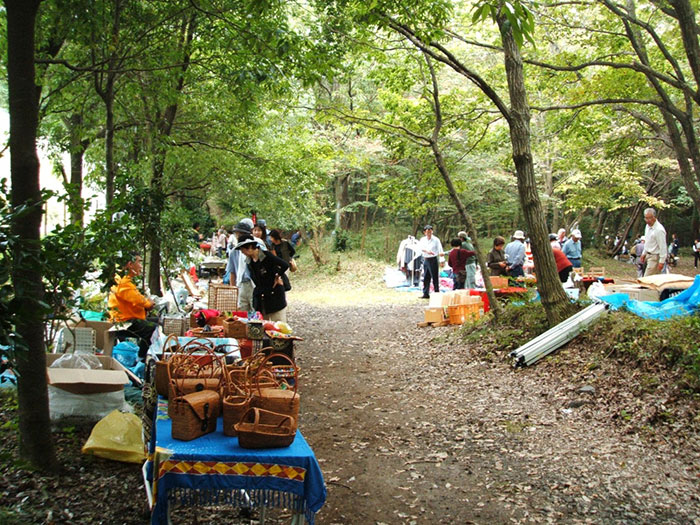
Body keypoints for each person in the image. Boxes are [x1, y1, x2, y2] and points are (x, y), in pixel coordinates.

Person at [108, 253, 156, 360]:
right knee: (152, 328)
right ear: (130, 264)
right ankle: (141, 359)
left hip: (130, 319)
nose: (140, 266)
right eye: (139, 262)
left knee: (158, 322)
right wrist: (149, 303)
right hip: (124, 322)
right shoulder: (123, 282)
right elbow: (140, 301)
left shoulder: (125, 280)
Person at [235, 234, 289, 322]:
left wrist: (277, 276)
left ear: (250, 247)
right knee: (261, 324)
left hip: (274, 295)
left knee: (278, 324)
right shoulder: (249, 262)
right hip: (261, 297)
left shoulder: (267, 256)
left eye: (243, 249)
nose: (242, 252)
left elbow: (284, 265)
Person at [640, 208, 667, 276]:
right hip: (648, 255)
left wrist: (661, 262)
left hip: (655, 257)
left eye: (649, 218)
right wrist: (644, 253)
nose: (648, 220)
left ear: (654, 217)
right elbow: (647, 241)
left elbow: (663, 247)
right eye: (646, 218)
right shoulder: (647, 226)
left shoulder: (659, 230)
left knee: (647, 279)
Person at [419, 225, 443, 298]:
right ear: (424, 232)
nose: (429, 233)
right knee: (426, 277)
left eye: (430, 231)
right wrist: (427, 251)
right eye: (427, 231)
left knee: (434, 277)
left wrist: (442, 260)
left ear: (432, 231)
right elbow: (420, 247)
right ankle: (425, 293)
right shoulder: (422, 239)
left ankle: (436, 292)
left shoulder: (436, 240)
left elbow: (440, 250)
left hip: (433, 259)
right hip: (426, 258)